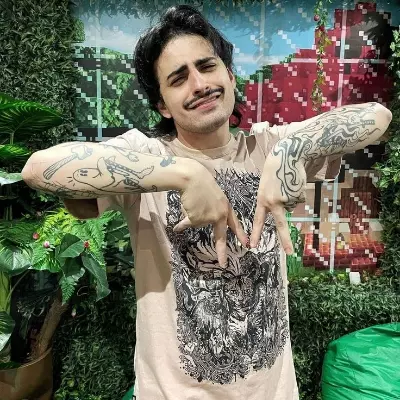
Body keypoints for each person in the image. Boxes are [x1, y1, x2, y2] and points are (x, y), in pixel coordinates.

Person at [22, 5, 392, 400]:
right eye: (178, 78)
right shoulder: (147, 155)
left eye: (207, 66)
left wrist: (291, 151)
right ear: (162, 105)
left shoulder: (268, 146)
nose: (199, 84)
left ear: (229, 76)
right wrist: (186, 174)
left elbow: (377, 116)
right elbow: (39, 168)